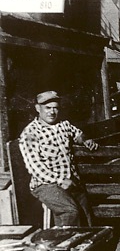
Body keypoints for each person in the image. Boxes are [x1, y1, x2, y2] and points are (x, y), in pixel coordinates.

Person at [19, 91, 98, 227]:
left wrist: (84, 140)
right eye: (47, 108)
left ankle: (89, 245)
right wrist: (59, 180)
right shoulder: (30, 134)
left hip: (70, 181)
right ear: (38, 108)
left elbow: (77, 134)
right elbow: (36, 168)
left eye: (55, 108)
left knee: (87, 215)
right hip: (46, 184)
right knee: (69, 211)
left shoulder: (63, 124)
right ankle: (64, 245)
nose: (52, 112)